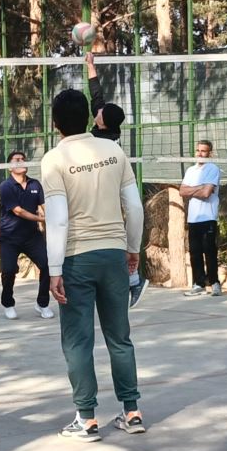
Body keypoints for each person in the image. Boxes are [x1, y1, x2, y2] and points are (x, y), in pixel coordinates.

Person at [42, 88, 146, 441]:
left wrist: (54, 270)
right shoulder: (114, 151)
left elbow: (58, 218)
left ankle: (86, 419)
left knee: (78, 341)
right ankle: (132, 411)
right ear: (89, 116)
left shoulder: (54, 159)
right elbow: (134, 208)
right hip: (114, 254)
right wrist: (132, 248)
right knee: (120, 337)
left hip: (76, 259)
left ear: (55, 123)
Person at [84, 51, 146, 305]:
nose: (97, 112)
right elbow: (96, 95)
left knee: (122, 220)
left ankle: (133, 279)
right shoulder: (102, 124)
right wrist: (91, 65)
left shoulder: (105, 142)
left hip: (113, 174)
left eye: (100, 114)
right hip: (102, 178)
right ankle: (131, 280)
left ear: (103, 123)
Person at [0, 151, 53, 320]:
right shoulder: (5, 186)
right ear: (9, 167)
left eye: (23, 159)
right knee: (8, 271)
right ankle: (8, 303)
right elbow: (18, 211)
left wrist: (52, 218)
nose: (21, 161)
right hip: (9, 238)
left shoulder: (35, 184)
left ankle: (42, 304)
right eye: (17, 159)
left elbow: (45, 205)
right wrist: (42, 219)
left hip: (32, 237)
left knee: (47, 265)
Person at [180, 140, 222, 296]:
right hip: (193, 219)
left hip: (208, 217)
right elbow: (182, 191)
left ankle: (215, 283)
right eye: (198, 150)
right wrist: (201, 187)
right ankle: (198, 284)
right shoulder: (190, 170)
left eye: (203, 151)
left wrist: (194, 189)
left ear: (209, 153)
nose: (200, 153)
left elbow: (206, 193)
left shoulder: (213, 169)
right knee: (195, 252)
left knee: (209, 251)